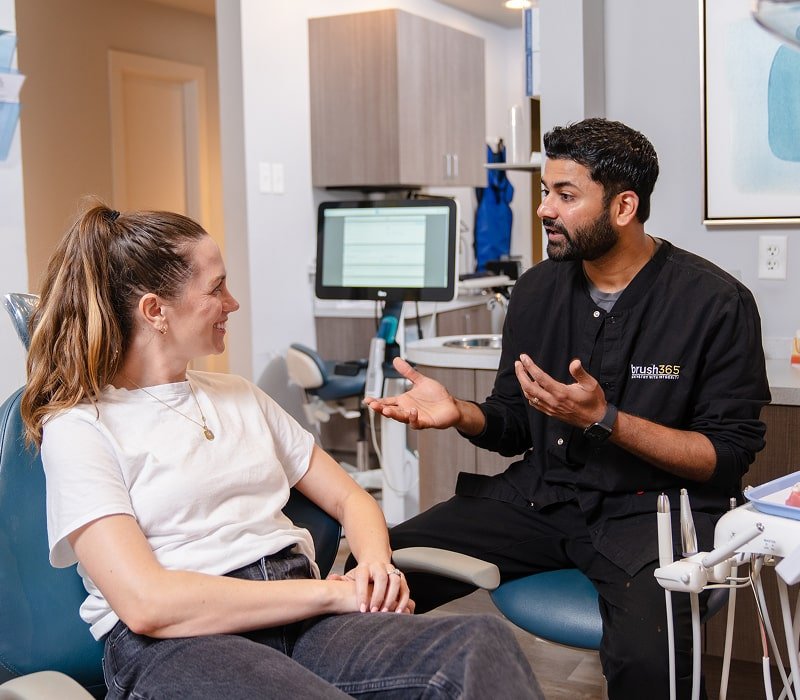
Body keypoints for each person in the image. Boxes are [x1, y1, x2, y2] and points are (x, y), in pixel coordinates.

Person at [20, 202, 542, 699]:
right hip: (181, 645)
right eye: (216, 288)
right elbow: (147, 604)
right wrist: (333, 594)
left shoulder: (239, 396)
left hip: (301, 618)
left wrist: (375, 569)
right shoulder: (80, 425)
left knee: (478, 646)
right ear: (155, 311)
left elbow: (350, 500)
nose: (233, 303)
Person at [361, 118, 771, 699]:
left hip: (651, 514)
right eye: (545, 191)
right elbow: (510, 421)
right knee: (373, 581)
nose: (544, 209)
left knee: (651, 664)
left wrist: (606, 420)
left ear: (624, 206)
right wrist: (460, 412)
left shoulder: (715, 303)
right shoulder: (536, 291)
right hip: (542, 497)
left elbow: (725, 458)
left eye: (565, 195)